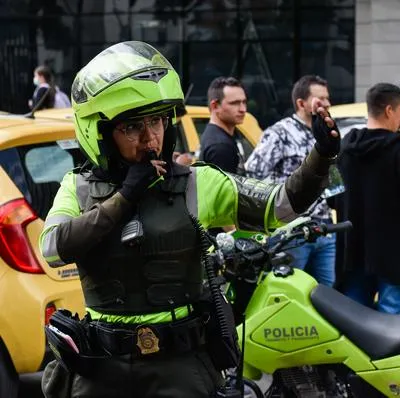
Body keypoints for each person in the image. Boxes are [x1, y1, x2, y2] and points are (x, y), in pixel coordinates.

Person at [39, 41, 340, 398]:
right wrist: (125, 197)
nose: (150, 138)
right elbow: (53, 248)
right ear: (100, 133)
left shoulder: (198, 182)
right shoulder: (78, 187)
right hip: (101, 370)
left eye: (156, 121)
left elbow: (280, 206)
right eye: (132, 127)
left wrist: (319, 158)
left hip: (181, 368)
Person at [245, 75, 336, 287]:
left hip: (324, 227)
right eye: (320, 99)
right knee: (290, 292)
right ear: (301, 103)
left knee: (327, 295)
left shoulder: (325, 131)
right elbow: (253, 173)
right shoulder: (279, 133)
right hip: (292, 231)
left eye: (328, 98)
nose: (328, 104)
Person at [336, 82, 400, 313]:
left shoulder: (344, 148)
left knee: (353, 320)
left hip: (352, 249)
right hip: (392, 252)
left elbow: (332, 196)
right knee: (391, 324)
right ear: (389, 111)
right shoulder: (396, 150)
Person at [199, 76, 247, 175]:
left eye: (244, 102)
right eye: (235, 103)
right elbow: (225, 190)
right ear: (215, 106)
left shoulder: (216, 137)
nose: (243, 109)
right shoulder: (220, 146)